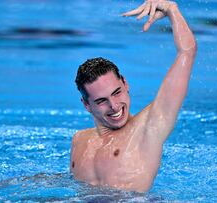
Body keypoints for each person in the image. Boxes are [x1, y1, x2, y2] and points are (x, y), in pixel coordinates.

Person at [70, 0, 197, 192]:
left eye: (116, 92)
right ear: (87, 105)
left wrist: (172, 10)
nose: (114, 106)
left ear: (125, 83)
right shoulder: (79, 140)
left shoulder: (148, 129)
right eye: (101, 101)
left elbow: (187, 52)